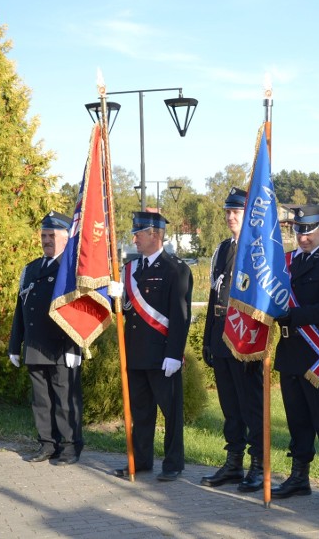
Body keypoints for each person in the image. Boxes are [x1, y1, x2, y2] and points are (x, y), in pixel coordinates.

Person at [271, 204, 319, 509]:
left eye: (308, 230)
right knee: (297, 419)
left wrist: (289, 315)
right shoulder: (287, 262)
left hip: (318, 354)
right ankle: (299, 476)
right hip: (291, 351)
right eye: (298, 230)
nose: (302, 236)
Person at [112, 211, 193, 482]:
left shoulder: (176, 269)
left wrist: (174, 354)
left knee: (171, 413)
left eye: (139, 233)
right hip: (136, 354)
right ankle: (141, 461)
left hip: (162, 356)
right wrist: (116, 298)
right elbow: (126, 310)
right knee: (141, 413)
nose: (134, 238)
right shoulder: (130, 269)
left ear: (155, 235)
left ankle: (173, 463)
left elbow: (180, 316)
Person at [199, 188, 265, 492]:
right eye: (227, 212)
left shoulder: (257, 250)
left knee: (251, 406)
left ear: (249, 215)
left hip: (245, 340)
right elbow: (215, 294)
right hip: (222, 337)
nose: (230, 217)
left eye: (236, 212)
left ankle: (258, 465)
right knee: (230, 408)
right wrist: (208, 339)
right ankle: (234, 463)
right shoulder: (223, 249)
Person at [8, 211, 84, 466]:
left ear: (65, 237)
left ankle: (70, 446)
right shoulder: (30, 269)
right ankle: (47, 444)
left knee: (65, 400)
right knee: (41, 400)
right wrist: (14, 345)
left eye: (52, 235)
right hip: (35, 345)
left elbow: (80, 312)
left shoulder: (71, 270)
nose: (46, 240)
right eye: (43, 235)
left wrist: (76, 347)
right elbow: (21, 309)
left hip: (62, 346)